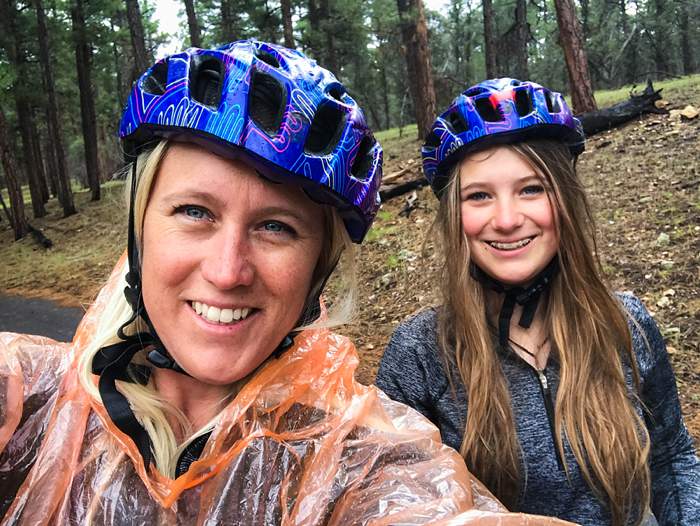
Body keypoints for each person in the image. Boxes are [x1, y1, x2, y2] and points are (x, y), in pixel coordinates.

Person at [0, 44, 572, 525]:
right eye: (195, 211)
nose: (227, 271)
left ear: (318, 269)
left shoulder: (360, 459)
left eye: (276, 227)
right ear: (140, 228)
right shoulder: (30, 399)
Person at [376, 78, 700, 526]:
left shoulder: (626, 324)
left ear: (563, 199)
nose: (507, 220)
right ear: (455, 216)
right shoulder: (420, 355)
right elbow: (396, 503)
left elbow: (671, 458)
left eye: (531, 189)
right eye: (479, 196)